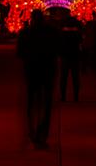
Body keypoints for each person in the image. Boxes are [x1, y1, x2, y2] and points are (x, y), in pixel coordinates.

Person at [17, 9, 60, 148]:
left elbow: (20, 53)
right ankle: (42, 135)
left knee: (31, 103)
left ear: (32, 18)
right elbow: (58, 50)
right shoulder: (52, 33)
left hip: (32, 71)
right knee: (46, 104)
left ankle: (32, 132)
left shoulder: (25, 33)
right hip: (48, 70)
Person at [59, 17, 82, 102]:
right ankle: (76, 96)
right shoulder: (77, 32)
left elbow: (60, 43)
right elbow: (80, 42)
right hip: (75, 56)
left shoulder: (62, 32)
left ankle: (63, 96)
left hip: (65, 56)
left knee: (63, 78)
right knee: (75, 77)